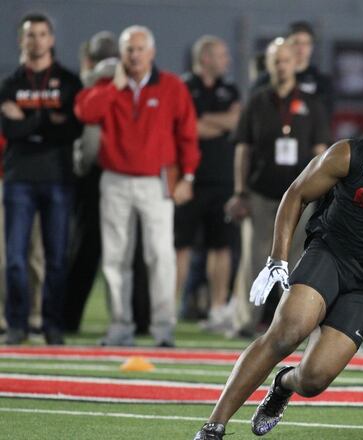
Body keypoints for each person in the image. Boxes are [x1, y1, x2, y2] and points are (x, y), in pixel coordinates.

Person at [193, 101, 363, 439]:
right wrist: (278, 258)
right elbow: (297, 194)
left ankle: (283, 385)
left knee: (315, 379)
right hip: (330, 255)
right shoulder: (352, 155)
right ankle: (214, 426)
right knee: (288, 331)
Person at [75, 25, 200, 347]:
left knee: (160, 255)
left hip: (156, 180)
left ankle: (163, 329)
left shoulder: (171, 86)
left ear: (152, 52)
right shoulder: (107, 84)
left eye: (139, 49)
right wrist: (112, 87)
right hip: (115, 178)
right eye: (129, 49)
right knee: (116, 257)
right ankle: (120, 327)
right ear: (121, 53)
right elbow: (85, 111)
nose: (134, 55)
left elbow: (187, 133)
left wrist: (188, 177)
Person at [224, 37, 330, 336]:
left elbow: (321, 152)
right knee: (253, 259)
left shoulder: (312, 104)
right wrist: (240, 191)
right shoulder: (257, 101)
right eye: (276, 60)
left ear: (295, 63)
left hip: (300, 196)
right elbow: (242, 149)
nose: (281, 66)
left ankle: (292, 323)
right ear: (267, 64)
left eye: (285, 60)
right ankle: (244, 322)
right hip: (261, 192)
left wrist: (319, 194)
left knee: (297, 262)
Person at [1, 13, 82, 345]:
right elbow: (10, 130)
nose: (36, 40)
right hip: (19, 177)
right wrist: (49, 119)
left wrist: (31, 120)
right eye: (29, 35)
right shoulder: (9, 83)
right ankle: (17, 323)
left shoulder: (68, 81)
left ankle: (51, 324)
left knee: (56, 258)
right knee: (16, 258)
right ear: (21, 40)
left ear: (51, 39)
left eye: (42, 34)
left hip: (58, 177)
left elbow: (72, 130)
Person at [176, 35, 240, 332]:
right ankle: (171, 308)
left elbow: (236, 122)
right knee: (181, 246)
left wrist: (204, 121)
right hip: (189, 179)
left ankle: (217, 309)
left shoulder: (231, 89)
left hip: (222, 178)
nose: (226, 59)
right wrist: (220, 121)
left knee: (221, 246)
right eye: (221, 54)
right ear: (205, 58)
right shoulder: (183, 87)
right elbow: (186, 127)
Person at [62, 31, 119, 333]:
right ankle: (135, 320)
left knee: (84, 248)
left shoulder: (92, 82)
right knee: (127, 254)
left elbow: (90, 129)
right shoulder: (129, 79)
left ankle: (68, 316)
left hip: (96, 172)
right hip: (130, 170)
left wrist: (82, 164)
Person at [250, 21, 334, 115]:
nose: (301, 49)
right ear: (287, 45)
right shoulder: (267, 80)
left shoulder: (321, 82)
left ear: (312, 47)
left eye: (306, 43)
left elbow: (324, 115)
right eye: (296, 43)